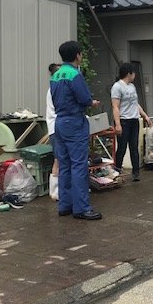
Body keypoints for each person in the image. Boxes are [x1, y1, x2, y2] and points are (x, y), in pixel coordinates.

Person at [50, 41, 102, 221]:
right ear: (77, 55)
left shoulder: (55, 75)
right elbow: (84, 98)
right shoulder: (75, 74)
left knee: (64, 165)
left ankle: (65, 205)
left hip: (59, 122)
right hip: (74, 122)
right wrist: (92, 102)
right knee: (79, 165)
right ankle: (82, 208)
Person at [111, 62, 152, 182]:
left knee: (134, 147)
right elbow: (115, 107)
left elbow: (135, 104)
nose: (135, 75)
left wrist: (145, 116)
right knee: (122, 148)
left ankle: (136, 173)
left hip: (134, 120)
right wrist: (118, 124)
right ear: (129, 73)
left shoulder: (132, 87)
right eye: (133, 73)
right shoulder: (117, 87)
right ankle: (117, 171)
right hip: (124, 120)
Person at [47, 63, 61, 197]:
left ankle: (56, 190)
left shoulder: (53, 87)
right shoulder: (54, 89)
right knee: (58, 160)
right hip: (56, 128)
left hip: (55, 127)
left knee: (59, 159)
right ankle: (55, 191)